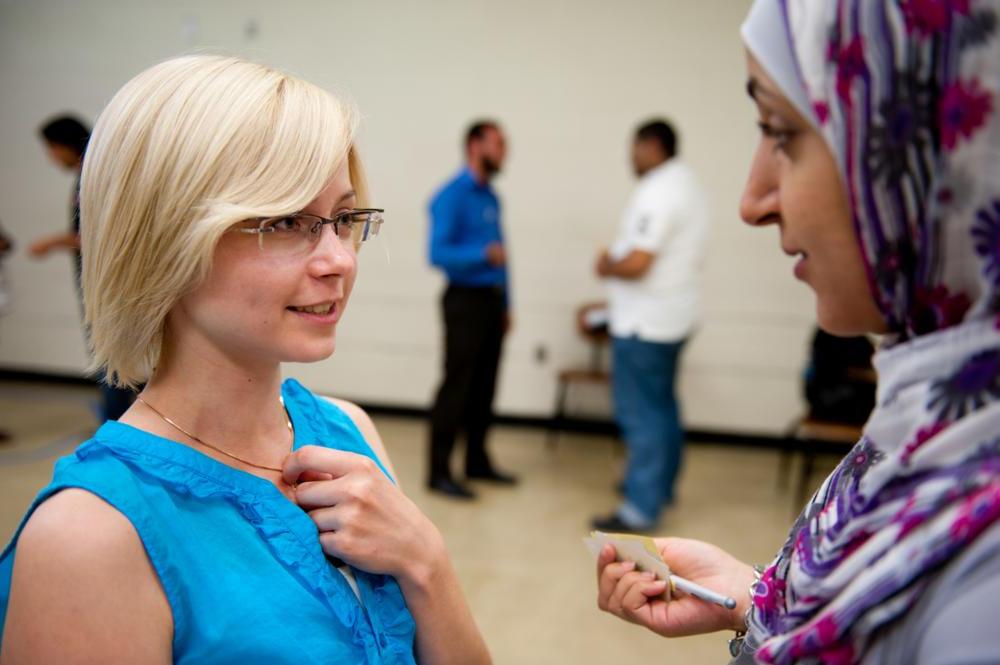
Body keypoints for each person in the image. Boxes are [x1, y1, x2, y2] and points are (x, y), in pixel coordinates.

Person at [0, 55, 490, 664]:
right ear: (167, 240)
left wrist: (427, 560)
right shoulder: (91, 536)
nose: (338, 259)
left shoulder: (347, 431)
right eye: (286, 221)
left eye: (342, 218)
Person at [597, 1, 1000, 663]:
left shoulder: (982, 581)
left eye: (781, 132)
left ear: (935, 144)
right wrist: (757, 596)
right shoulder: (932, 414)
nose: (754, 199)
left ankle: (644, 497)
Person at [591, 119, 710, 532]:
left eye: (635, 146)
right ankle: (661, 487)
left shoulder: (658, 190)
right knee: (662, 406)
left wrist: (607, 264)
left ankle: (639, 506)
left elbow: (640, 261)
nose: (632, 156)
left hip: (646, 324)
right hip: (671, 319)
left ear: (651, 145)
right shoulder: (688, 185)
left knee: (641, 413)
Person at [426, 120, 516, 500]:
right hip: (464, 300)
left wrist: (507, 303)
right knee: (457, 386)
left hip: (492, 302)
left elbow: (504, 257)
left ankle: (477, 461)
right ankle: (440, 471)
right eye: (498, 144)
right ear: (475, 145)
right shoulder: (450, 196)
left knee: (485, 386)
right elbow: (437, 253)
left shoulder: (492, 198)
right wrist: (481, 254)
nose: (504, 152)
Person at [31, 114, 135, 422]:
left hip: (109, 287)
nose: (50, 157)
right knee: (107, 356)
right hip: (94, 285)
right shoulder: (85, 175)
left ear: (63, 144)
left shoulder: (95, 176)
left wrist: (52, 242)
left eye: (51, 148)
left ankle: (115, 425)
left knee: (110, 356)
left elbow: (100, 234)